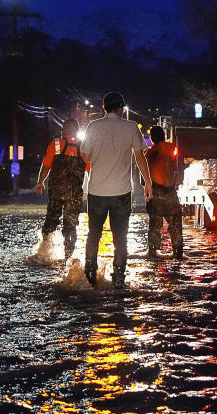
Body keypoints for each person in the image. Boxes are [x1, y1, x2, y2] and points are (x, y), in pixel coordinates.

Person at [80, 92, 153, 289]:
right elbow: (140, 157)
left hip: (96, 191)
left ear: (104, 108)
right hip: (121, 192)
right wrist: (148, 183)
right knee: (120, 236)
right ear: (121, 108)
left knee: (93, 233)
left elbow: (85, 156)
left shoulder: (93, 127)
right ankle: (119, 277)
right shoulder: (130, 127)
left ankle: (90, 272)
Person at [35, 119, 86, 258]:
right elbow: (90, 171)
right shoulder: (84, 148)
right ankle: (68, 257)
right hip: (74, 196)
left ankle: (44, 252)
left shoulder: (55, 144)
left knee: (50, 222)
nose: (63, 131)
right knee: (70, 226)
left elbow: (46, 165)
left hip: (56, 194)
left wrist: (40, 182)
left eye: (64, 129)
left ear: (64, 130)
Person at [144, 125, 183, 260]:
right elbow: (175, 165)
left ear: (152, 138)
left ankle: (152, 252)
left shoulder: (149, 154)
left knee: (154, 225)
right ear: (163, 136)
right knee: (175, 224)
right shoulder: (172, 148)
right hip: (170, 191)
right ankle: (178, 253)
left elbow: (144, 177)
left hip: (155, 193)